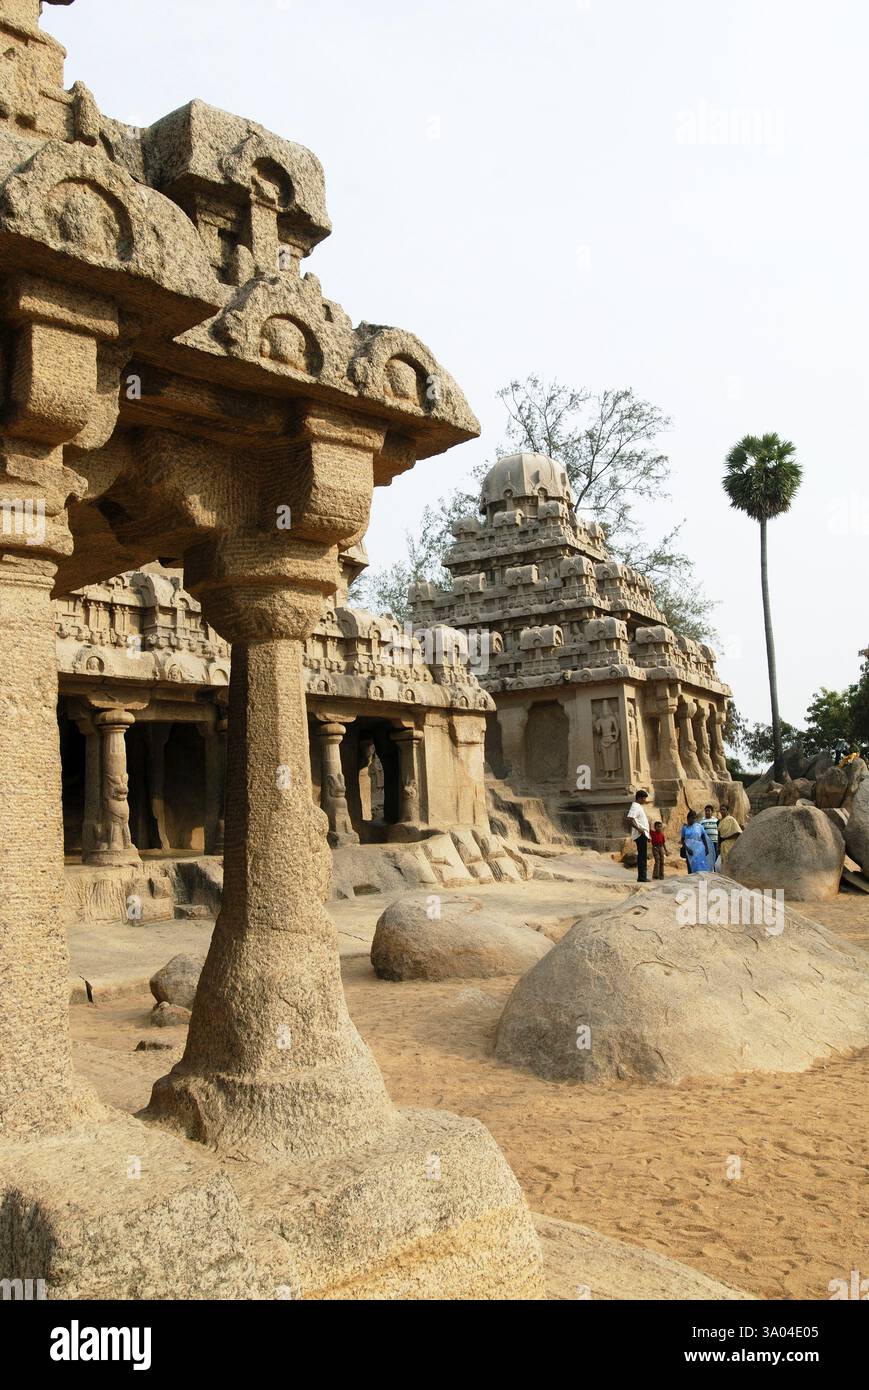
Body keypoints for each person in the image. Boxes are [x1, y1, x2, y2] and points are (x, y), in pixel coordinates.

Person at [627, 789, 651, 883]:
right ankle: (642, 877)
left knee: (643, 856)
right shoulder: (635, 806)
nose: (645, 800)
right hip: (640, 834)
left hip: (643, 834)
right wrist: (639, 829)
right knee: (642, 856)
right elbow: (630, 819)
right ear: (640, 798)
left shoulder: (638, 806)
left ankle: (642, 876)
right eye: (644, 798)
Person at [680, 809, 712, 873]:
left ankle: (702, 882)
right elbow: (682, 840)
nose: (694, 820)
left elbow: (703, 837)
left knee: (700, 866)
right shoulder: (684, 828)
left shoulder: (699, 826)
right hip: (689, 850)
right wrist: (687, 849)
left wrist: (706, 848)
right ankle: (692, 881)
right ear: (688, 818)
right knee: (690, 866)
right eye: (692, 818)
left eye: (694, 818)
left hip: (699, 849)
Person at [716, 803, 742, 869]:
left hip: (730, 844)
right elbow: (719, 834)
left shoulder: (731, 819)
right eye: (721, 809)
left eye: (724, 809)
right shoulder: (719, 821)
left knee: (730, 863)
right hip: (723, 845)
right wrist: (718, 846)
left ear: (727, 811)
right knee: (718, 865)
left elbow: (738, 832)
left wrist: (726, 837)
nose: (722, 811)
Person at [701, 804, 719, 869]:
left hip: (715, 841)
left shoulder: (716, 820)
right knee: (707, 857)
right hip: (706, 843)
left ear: (712, 812)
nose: (707, 812)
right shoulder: (702, 821)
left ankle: (715, 871)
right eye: (706, 811)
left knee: (715, 857)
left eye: (708, 811)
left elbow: (718, 830)